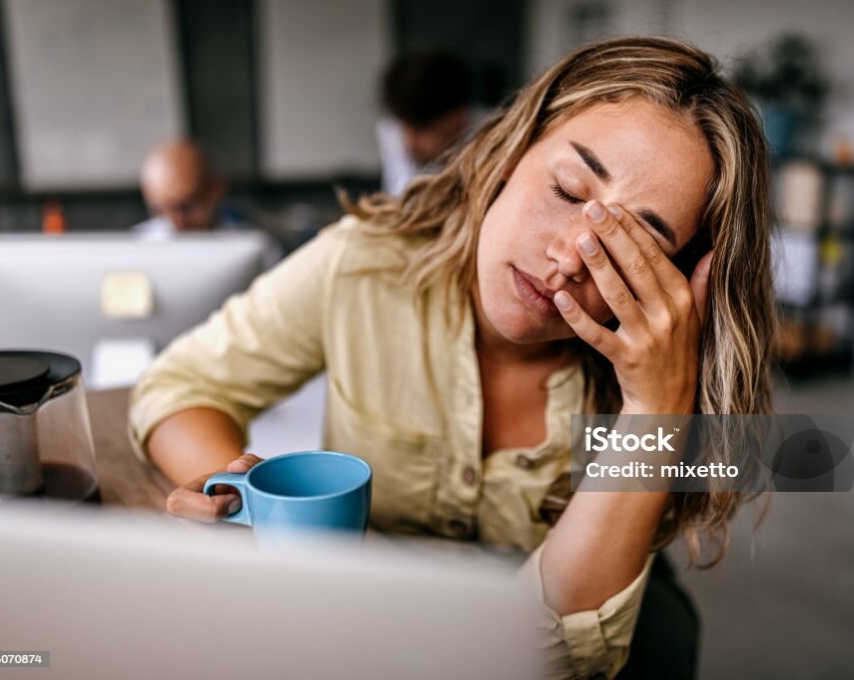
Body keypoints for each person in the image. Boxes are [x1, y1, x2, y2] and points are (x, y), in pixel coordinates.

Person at [129, 37, 776, 679]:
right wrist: (251, 511)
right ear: (510, 150)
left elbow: (556, 656)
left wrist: (655, 408)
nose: (570, 258)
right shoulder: (365, 265)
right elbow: (179, 385)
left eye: (633, 245)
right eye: (569, 189)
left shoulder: (665, 389)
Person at [377, 50, 476, 195]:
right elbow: (400, 198)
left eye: (420, 130)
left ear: (458, 119)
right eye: (404, 127)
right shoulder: (394, 130)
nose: (410, 142)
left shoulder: (491, 138)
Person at [133, 139, 248, 236]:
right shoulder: (137, 245)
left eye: (184, 208)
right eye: (160, 211)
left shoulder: (249, 239)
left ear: (216, 189)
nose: (175, 224)